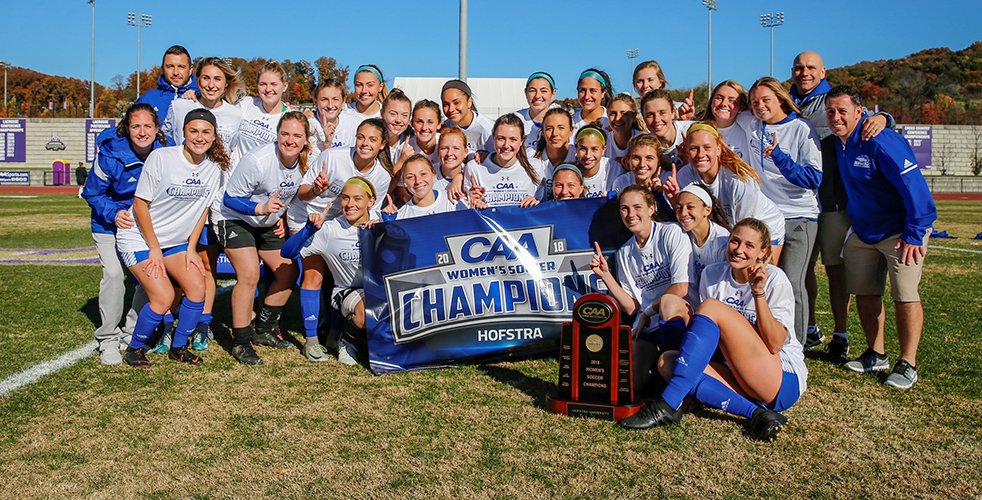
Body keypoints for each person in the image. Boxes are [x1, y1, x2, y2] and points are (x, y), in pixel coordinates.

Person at [619, 218, 807, 442]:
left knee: (710, 308)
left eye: (749, 245)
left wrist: (758, 293)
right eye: (735, 241)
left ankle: (667, 404)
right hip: (736, 372)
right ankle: (758, 414)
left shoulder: (775, 278)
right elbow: (709, 339)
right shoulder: (712, 274)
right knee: (667, 361)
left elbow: (775, 343)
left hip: (779, 380)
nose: (739, 250)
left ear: (762, 252)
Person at [825, 86, 937, 389]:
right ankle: (876, 353)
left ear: (860, 113)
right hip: (865, 230)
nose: (835, 117)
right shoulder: (840, 141)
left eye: (842, 111)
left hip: (901, 230)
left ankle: (908, 363)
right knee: (865, 291)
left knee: (905, 294)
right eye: (831, 111)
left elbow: (916, 189)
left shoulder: (881, 141)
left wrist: (914, 233)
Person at [789, 51, 893, 355]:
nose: (804, 72)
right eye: (798, 67)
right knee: (799, 270)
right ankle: (808, 328)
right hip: (799, 202)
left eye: (810, 67)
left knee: (835, 270)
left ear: (823, 71)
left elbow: (864, 116)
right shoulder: (788, 101)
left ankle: (841, 334)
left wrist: (885, 117)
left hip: (832, 202)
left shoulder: (832, 101)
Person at [115, 109, 229, 367]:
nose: (199, 137)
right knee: (164, 296)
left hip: (175, 243)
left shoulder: (214, 169)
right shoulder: (162, 157)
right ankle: (134, 349)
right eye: (193, 131)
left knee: (197, 288)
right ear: (184, 133)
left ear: (213, 137)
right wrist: (153, 248)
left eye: (205, 132)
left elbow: (203, 211)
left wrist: (191, 248)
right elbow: (141, 204)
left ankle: (178, 347)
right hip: (139, 239)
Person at [81, 103, 173, 365]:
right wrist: (113, 213)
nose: (142, 132)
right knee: (113, 274)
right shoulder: (111, 154)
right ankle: (108, 338)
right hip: (110, 224)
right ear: (126, 129)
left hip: (144, 226)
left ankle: (131, 331)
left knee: (148, 276)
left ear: (157, 129)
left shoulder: (166, 154)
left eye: (147, 126)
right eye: (136, 126)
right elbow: (92, 192)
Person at [216, 111, 311, 365]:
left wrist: (281, 216)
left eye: (296, 135)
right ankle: (240, 342)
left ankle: (263, 329)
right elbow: (229, 199)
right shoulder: (258, 160)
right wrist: (259, 209)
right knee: (249, 274)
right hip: (235, 218)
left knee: (288, 272)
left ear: (305, 140)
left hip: (266, 221)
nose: (290, 140)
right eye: (285, 134)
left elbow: (287, 195)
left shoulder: (304, 162)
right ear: (277, 134)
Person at [736, 76, 823, 345]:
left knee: (792, 280)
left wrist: (780, 158)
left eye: (765, 100)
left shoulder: (801, 129)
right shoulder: (752, 124)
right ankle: (767, 335)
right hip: (766, 218)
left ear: (781, 99)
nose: (759, 106)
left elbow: (813, 178)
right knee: (764, 277)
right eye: (754, 102)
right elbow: (723, 115)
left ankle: (796, 344)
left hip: (798, 215)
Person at [281, 177, 381, 365]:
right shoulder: (330, 230)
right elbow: (287, 252)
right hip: (346, 291)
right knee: (366, 310)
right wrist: (308, 231)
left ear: (371, 201)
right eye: (345, 198)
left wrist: (388, 229)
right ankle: (345, 340)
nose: (350, 204)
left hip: (378, 289)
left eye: (357, 199)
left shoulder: (381, 221)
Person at [589, 185, 693, 350]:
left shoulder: (672, 232)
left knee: (668, 303)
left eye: (637, 207)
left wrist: (648, 312)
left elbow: (680, 288)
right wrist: (606, 275)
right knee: (632, 366)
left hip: (677, 317)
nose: (631, 215)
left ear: (651, 208)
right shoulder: (624, 252)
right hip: (647, 325)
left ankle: (675, 359)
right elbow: (632, 307)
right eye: (625, 209)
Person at [670, 124, 786, 261]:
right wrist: (674, 200)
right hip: (727, 229)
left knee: (758, 274)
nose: (701, 154)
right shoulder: (685, 176)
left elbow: (749, 230)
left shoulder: (740, 180)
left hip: (763, 226)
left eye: (707, 148)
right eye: (694, 149)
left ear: (718, 149)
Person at [466, 114, 543, 208]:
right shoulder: (474, 168)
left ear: (522, 141)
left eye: (513, 139)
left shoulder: (536, 167)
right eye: (501, 139)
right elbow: (464, 208)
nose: (506, 145)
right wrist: (473, 203)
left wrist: (537, 203)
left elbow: (545, 209)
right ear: (493, 138)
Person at [673, 183, 730, 305]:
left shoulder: (722, 242)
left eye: (690, 207)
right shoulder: (681, 235)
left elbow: (724, 288)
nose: (683, 213)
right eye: (679, 208)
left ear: (707, 210)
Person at [233, 61, 292, 161]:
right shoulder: (246, 104)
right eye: (263, 84)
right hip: (232, 174)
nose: (268, 89)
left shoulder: (290, 118)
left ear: (284, 86)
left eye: (274, 84)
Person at [383, 154, 468, 220]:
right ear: (404, 182)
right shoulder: (401, 216)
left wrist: (479, 208)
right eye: (410, 177)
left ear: (433, 173)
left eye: (423, 174)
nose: (418, 181)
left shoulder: (454, 201)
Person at [136, 45, 198, 119]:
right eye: (170, 66)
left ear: (190, 70)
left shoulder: (202, 97)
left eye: (181, 67)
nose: (175, 72)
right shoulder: (148, 99)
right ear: (163, 68)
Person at [334, 65, 387, 148]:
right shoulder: (342, 111)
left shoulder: (387, 116)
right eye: (359, 85)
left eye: (370, 85)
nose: (364, 91)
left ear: (380, 87)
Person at [441, 79, 495, 159]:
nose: (451, 109)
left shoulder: (488, 129)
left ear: (469, 102)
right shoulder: (446, 126)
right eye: (446, 104)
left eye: (456, 103)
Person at [640, 89, 693, 169]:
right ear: (644, 118)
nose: (657, 120)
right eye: (650, 115)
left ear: (673, 113)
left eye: (662, 113)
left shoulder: (691, 132)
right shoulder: (645, 147)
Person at [532, 107, 577, 197]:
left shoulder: (578, 156)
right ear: (543, 132)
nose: (555, 134)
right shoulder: (531, 158)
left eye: (561, 128)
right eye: (549, 128)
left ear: (571, 130)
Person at [573, 124, 622, 198]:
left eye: (594, 149)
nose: (588, 155)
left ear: (603, 149)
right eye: (583, 149)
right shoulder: (569, 172)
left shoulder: (615, 168)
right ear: (576, 148)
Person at [514, 71, 558, 151]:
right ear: (525, 92)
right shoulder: (515, 120)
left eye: (544, 91)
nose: (537, 96)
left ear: (553, 93)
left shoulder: (562, 120)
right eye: (532, 90)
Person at [605, 93, 645, 169]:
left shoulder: (643, 140)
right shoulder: (604, 141)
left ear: (633, 116)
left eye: (624, 114)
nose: (617, 118)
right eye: (613, 113)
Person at [572, 68, 613, 133]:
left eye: (593, 91)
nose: (587, 96)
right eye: (582, 90)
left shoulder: (613, 121)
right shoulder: (570, 123)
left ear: (603, 93)